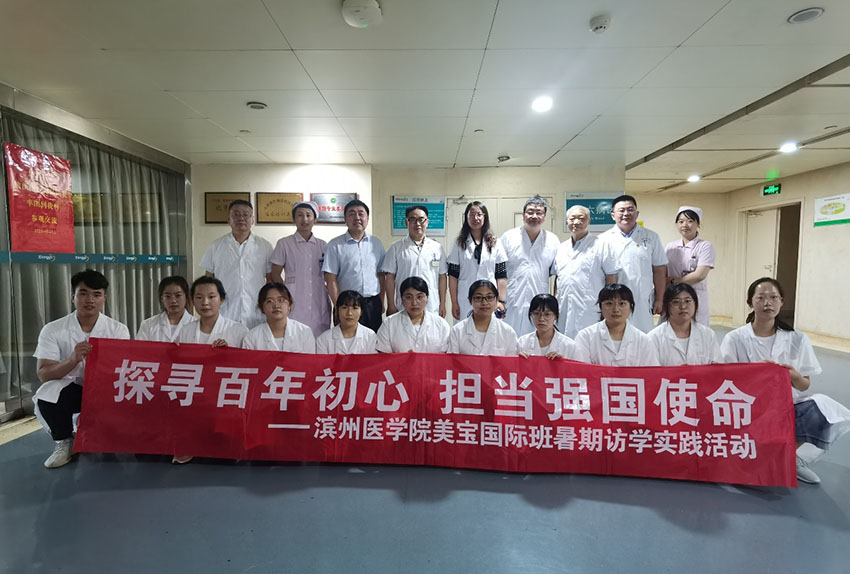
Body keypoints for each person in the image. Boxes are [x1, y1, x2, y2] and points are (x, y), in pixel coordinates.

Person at [720, 277, 850, 485]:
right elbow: (724, 381)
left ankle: (789, 457)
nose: (767, 303)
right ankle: (757, 456)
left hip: (785, 404)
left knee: (822, 407)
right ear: (750, 302)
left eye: (773, 298)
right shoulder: (734, 339)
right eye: (760, 298)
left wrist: (793, 376)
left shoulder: (797, 339)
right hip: (746, 407)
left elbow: (804, 385)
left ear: (782, 302)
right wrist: (754, 373)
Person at [34, 269, 130, 468]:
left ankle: (101, 430)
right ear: (73, 297)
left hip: (106, 391)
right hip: (73, 391)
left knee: (110, 444)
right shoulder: (53, 329)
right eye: (83, 293)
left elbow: (123, 370)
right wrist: (72, 360)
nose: (90, 300)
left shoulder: (118, 330)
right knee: (47, 393)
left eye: (97, 294)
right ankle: (64, 441)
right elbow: (43, 373)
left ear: (104, 298)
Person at [199, 199, 273, 328]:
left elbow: (270, 280)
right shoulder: (216, 246)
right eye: (236, 214)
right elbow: (208, 281)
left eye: (246, 214)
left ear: (252, 219)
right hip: (225, 313)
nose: (241, 218)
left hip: (256, 312)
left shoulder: (265, 246)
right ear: (229, 219)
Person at [599, 195, 667, 333]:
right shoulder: (602, 240)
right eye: (621, 210)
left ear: (637, 213)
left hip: (642, 298)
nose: (626, 214)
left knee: (644, 336)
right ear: (613, 215)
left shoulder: (651, 237)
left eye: (630, 210)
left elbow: (659, 270)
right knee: (615, 335)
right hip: (614, 299)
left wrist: (660, 299)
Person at [553, 205, 620, 338]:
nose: (576, 222)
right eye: (572, 218)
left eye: (581, 218)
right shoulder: (561, 248)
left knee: (589, 343)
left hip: (590, 308)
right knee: (564, 343)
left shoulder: (602, 245)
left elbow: (611, 278)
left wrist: (608, 305)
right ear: (567, 221)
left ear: (588, 221)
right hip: (563, 308)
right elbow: (557, 278)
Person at [269, 200, 331, 337]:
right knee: (293, 337)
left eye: (309, 215)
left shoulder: (323, 245)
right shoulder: (284, 243)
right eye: (300, 215)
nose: (305, 219)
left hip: (319, 299)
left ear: (315, 219)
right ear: (294, 219)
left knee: (319, 338)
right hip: (293, 298)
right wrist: (284, 295)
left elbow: (329, 275)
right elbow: (275, 273)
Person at [323, 199, 386, 332]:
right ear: (345, 219)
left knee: (373, 340)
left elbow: (381, 275)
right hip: (347, 305)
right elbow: (330, 278)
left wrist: (381, 301)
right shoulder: (335, 245)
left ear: (367, 218)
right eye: (352, 214)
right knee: (346, 340)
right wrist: (338, 306)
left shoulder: (376, 243)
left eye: (361, 214)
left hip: (372, 304)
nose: (357, 217)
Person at [500, 196, 560, 336]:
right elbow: (498, 271)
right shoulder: (508, 237)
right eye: (530, 212)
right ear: (523, 215)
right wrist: (499, 299)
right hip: (511, 299)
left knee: (536, 339)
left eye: (539, 213)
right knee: (508, 336)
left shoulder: (552, 241)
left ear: (544, 217)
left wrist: (554, 301)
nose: (534, 216)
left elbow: (558, 275)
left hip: (539, 301)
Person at [382, 205, 448, 319]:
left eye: (421, 219)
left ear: (427, 222)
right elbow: (390, 278)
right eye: (413, 219)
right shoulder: (396, 247)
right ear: (406, 223)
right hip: (404, 304)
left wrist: (442, 303)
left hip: (431, 304)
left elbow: (442, 277)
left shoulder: (437, 248)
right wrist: (391, 304)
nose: (417, 224)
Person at [447, 201, 508, 321]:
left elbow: (501, 275)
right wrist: (454, 302)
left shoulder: (496, 242)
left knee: (490, 328)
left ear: (485, 217)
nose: (475, 218)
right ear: (466, 218)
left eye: (479, 214)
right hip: (465, 298)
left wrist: (501, 301)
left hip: (489, 297)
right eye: (471, 214)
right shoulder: (458, 243)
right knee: (465, 329)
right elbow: (453, 276)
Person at [574, 284, 660, 366]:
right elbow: (581, 371)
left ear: (631, 308)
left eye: (622, 303)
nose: (616, 309)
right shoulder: (586, 337)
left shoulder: (643, 341)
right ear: (600, 307)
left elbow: (651, 373)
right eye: (609, 303)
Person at [648, 283, 721, 365]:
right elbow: (651, 371)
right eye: (676, 302)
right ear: (667, 306)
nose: (683, 306)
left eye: (687, 301)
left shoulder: (708, 335)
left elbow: (718, 368)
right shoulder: (654, 338)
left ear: (695, 304)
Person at [665, 206, 715, 325]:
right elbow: (664, 272)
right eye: (681, 221)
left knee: (696, 330)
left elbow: (699, 275)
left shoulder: (705, 246)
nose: (685, 225)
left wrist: (674, 281)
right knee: (670, 329)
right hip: (673, 295)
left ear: (698, 223)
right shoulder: (670, 247)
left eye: (690, 221)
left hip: (695, 295)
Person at [376, 276, 450, 353]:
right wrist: (406, 358)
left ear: (427, 298)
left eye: (419, 297)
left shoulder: (441, 325)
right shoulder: (389, 324)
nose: (414, 303)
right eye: (409, 297)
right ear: (402, 299)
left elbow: (446, 357)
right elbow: (383, 357)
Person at [447, 280, 518, 356]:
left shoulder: (508, 332)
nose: (484, 302)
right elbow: (451, 361)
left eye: (489, 297)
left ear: (496, 300)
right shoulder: (457, 331)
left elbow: (512, 361)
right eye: (478, 298)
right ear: (470, 301)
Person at [242, 282, 316, 353]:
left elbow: (309, 361)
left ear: (289, 305)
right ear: (262, 308)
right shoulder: (252, 337)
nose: (276, 305)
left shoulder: (304, 332)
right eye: (269, 301)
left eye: (281, 300)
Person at [177, 276, 248, 347]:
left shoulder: (238, 331)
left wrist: (228, 351)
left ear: (221, 299)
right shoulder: (185, 331)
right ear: (193, 301)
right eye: (199, 297)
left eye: (211, 297)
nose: (205, 302)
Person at [517, 294, 580, 360]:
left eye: (547, 314)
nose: (541, 319)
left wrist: (563, 363)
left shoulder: (570, 346)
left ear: (556, 316)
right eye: (536, 313)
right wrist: (519, 361)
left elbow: (579, 366)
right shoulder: (522, 343)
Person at [135, 276, 195, 342]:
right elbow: (139, 348)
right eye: (167, 296)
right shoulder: (148, 325)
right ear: (162, 299)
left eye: (178, 295)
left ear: (186, 297)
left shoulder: (197, 326)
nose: (173, 301)